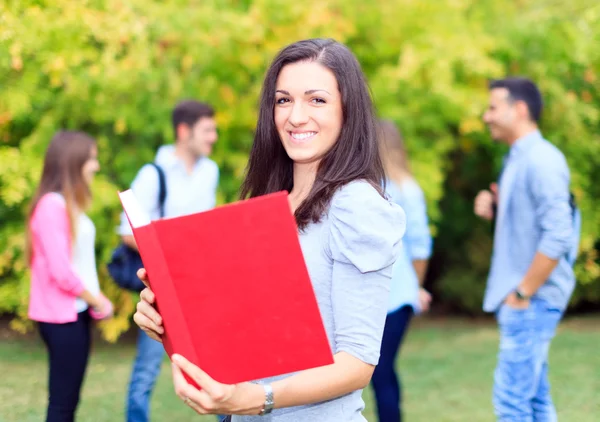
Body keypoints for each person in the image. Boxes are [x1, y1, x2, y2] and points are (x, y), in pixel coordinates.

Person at [132, 38, 406, 421]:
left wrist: (260, 398)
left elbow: (356, 364)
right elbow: (244, 339)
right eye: (283, 100)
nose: (295, 116)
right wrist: (169, 323)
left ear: (348, 110)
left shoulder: (356, 205)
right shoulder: (267, 205)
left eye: (317, 100)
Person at [474, 77, 579, 421]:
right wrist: (496, 203)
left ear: (519, 110)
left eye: (493, 108)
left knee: (511, 403)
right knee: (534, 401)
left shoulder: (542, 160)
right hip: (525, 297)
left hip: (532, 298)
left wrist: (523, 291)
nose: (486, 116)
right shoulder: (518, 158)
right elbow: (531, 223)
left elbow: (558, 234)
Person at [119, 100, 220, 422]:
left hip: (204, 284)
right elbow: (126, 232)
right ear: (183, 131)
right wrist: (175, 248)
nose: (213, 137)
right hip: (165, 288)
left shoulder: (210, 171)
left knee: (221, 366)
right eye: (207, 130)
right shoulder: (152, 174)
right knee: (148, 369)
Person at [26, 130, 113, 422]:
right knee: (63, 403)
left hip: (75, 314)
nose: (96, 166)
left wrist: (92, 303)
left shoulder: (66, 204)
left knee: (68, 399)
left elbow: (78, 266)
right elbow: (62, 272)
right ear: (72, 161)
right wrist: (98, 300)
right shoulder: (52, 206)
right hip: (62, 319)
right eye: (91, 159)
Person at [371, 120, 433, 422]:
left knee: (380, 371)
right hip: (386, 296)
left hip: (395, 296)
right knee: (381, 372)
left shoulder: (401, 188)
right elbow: (420, 247)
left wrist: (416, 288)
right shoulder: (387, 187)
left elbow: (420, 246)